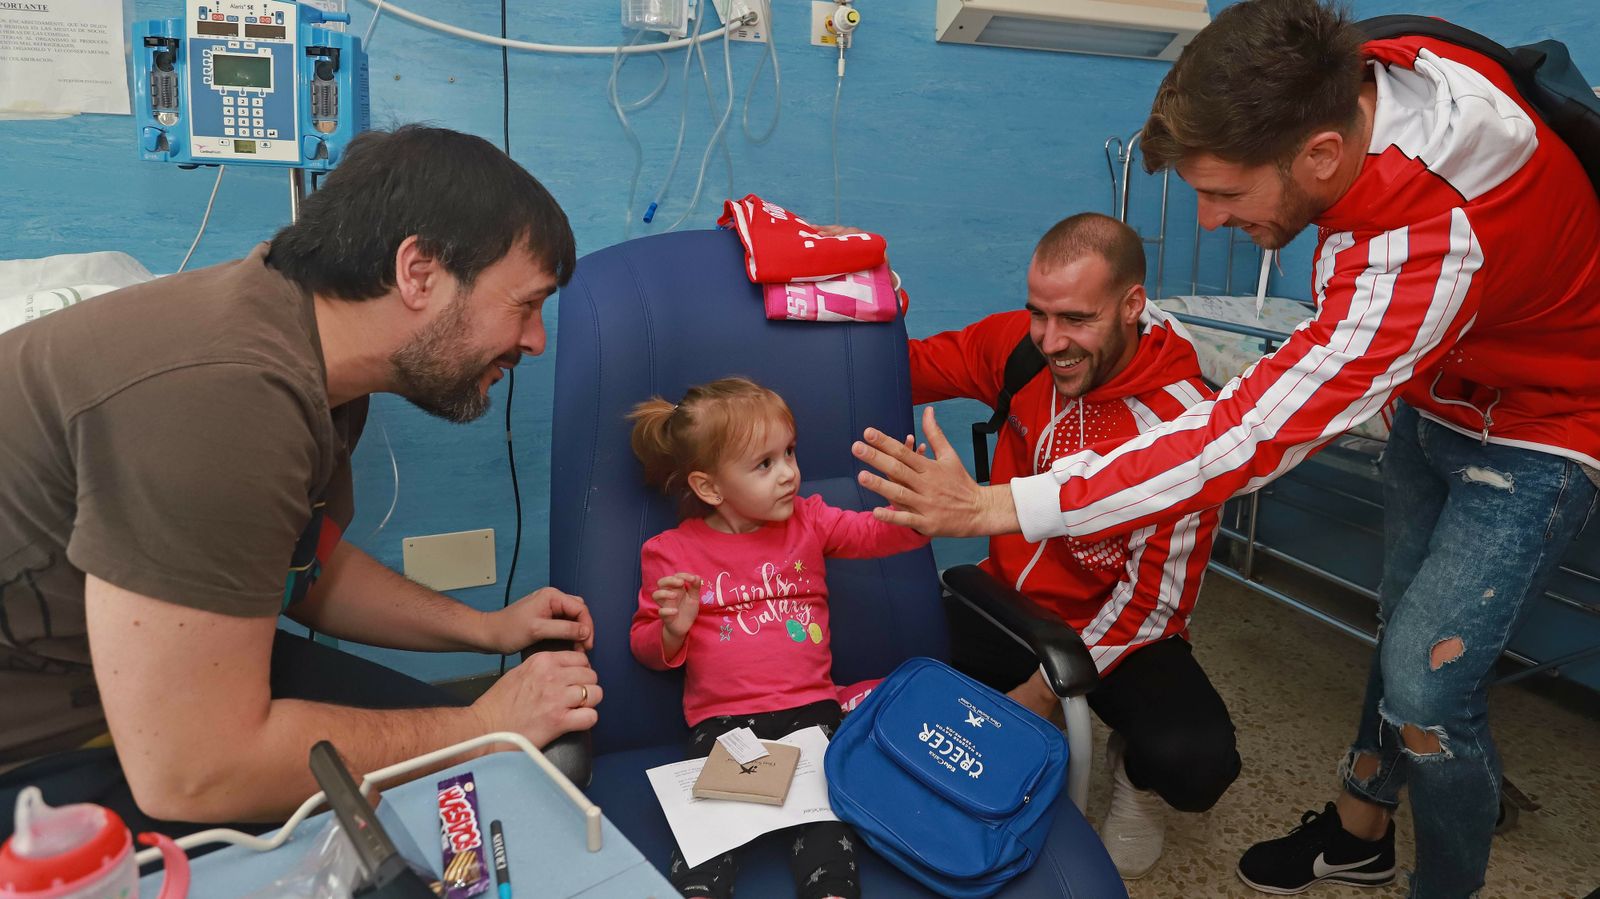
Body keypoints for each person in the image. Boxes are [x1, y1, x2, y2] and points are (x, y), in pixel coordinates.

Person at [850, 1, 1600, 896]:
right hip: (1433, 392)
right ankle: (1362, 830)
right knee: (1402, 643)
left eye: (1227, 194)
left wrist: (993, 504)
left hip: (1545, 419)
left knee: (1428, 689)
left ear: (1321, 156)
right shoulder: (1365, 69)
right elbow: (913, 365)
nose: (1204, 222)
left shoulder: (1428, 240)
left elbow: (1238, 438)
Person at [0, 125, 604, 840]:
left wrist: (485, 629)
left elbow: (297, 565)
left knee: (500, 786)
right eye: (525, 304)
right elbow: (193, 769)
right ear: (419, 273)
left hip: (141, 680)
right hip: (45, 739)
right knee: (478, 797)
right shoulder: (226, 396)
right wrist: (482, 725)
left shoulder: (303, 342)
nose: (535, 338)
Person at [906, 212, 1238, 879]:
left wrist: (1042, 690)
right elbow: (907, 370)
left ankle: (1134, 782)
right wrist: (861, 319)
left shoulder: (1185, 428)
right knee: (886, 667)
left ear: (1132, 306)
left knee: (1197, 761)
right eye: (1038, 313)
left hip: (1119, 629)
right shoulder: (1022, 349)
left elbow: (1153, 604)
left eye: (1076, 320)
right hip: (1001, 599)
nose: (1051, 340)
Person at [627, 377, 929, 899]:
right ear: (710, 488)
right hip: (723, 725)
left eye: (789, 452)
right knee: (705, 844)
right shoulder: (670, 552)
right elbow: (645, 646)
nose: (790, 473)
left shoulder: (809, 521)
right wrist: (672, 629)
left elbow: (878, 534)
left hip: (811, 714)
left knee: (827, 832)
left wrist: (921, 506)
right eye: (765, 464)